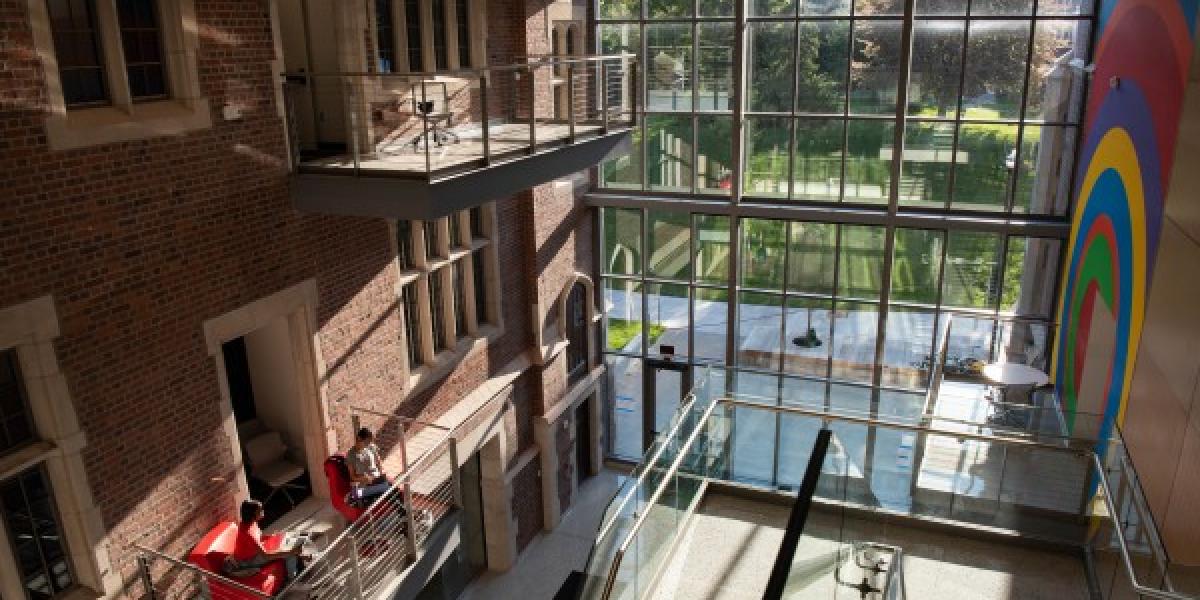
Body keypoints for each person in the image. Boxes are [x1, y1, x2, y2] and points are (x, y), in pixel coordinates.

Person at [226, 499, 305, 580]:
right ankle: (293, 579)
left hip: (256, 552)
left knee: (292, 540)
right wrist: (290, 552)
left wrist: (274, 537)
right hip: (247, 561)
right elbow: (266, 556)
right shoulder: (247, 533)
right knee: (289, 553)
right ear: (253, 514)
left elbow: (259, 537)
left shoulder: (251, 523)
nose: (263, 511)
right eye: (260, 511)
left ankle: (301, 561)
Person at [346, 428, 391, 507]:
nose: (368, 444)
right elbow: (352, 477)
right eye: (366, 442)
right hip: (365, 483)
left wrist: (381, 473)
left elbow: (379, 462)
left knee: (389, 487)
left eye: (370, 442)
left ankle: (355, 496)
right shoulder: (351, 455)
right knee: (389, 488)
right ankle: (405, 513)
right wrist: (364, 478)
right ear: (359, 439)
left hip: (377, 479)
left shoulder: (371, 446)